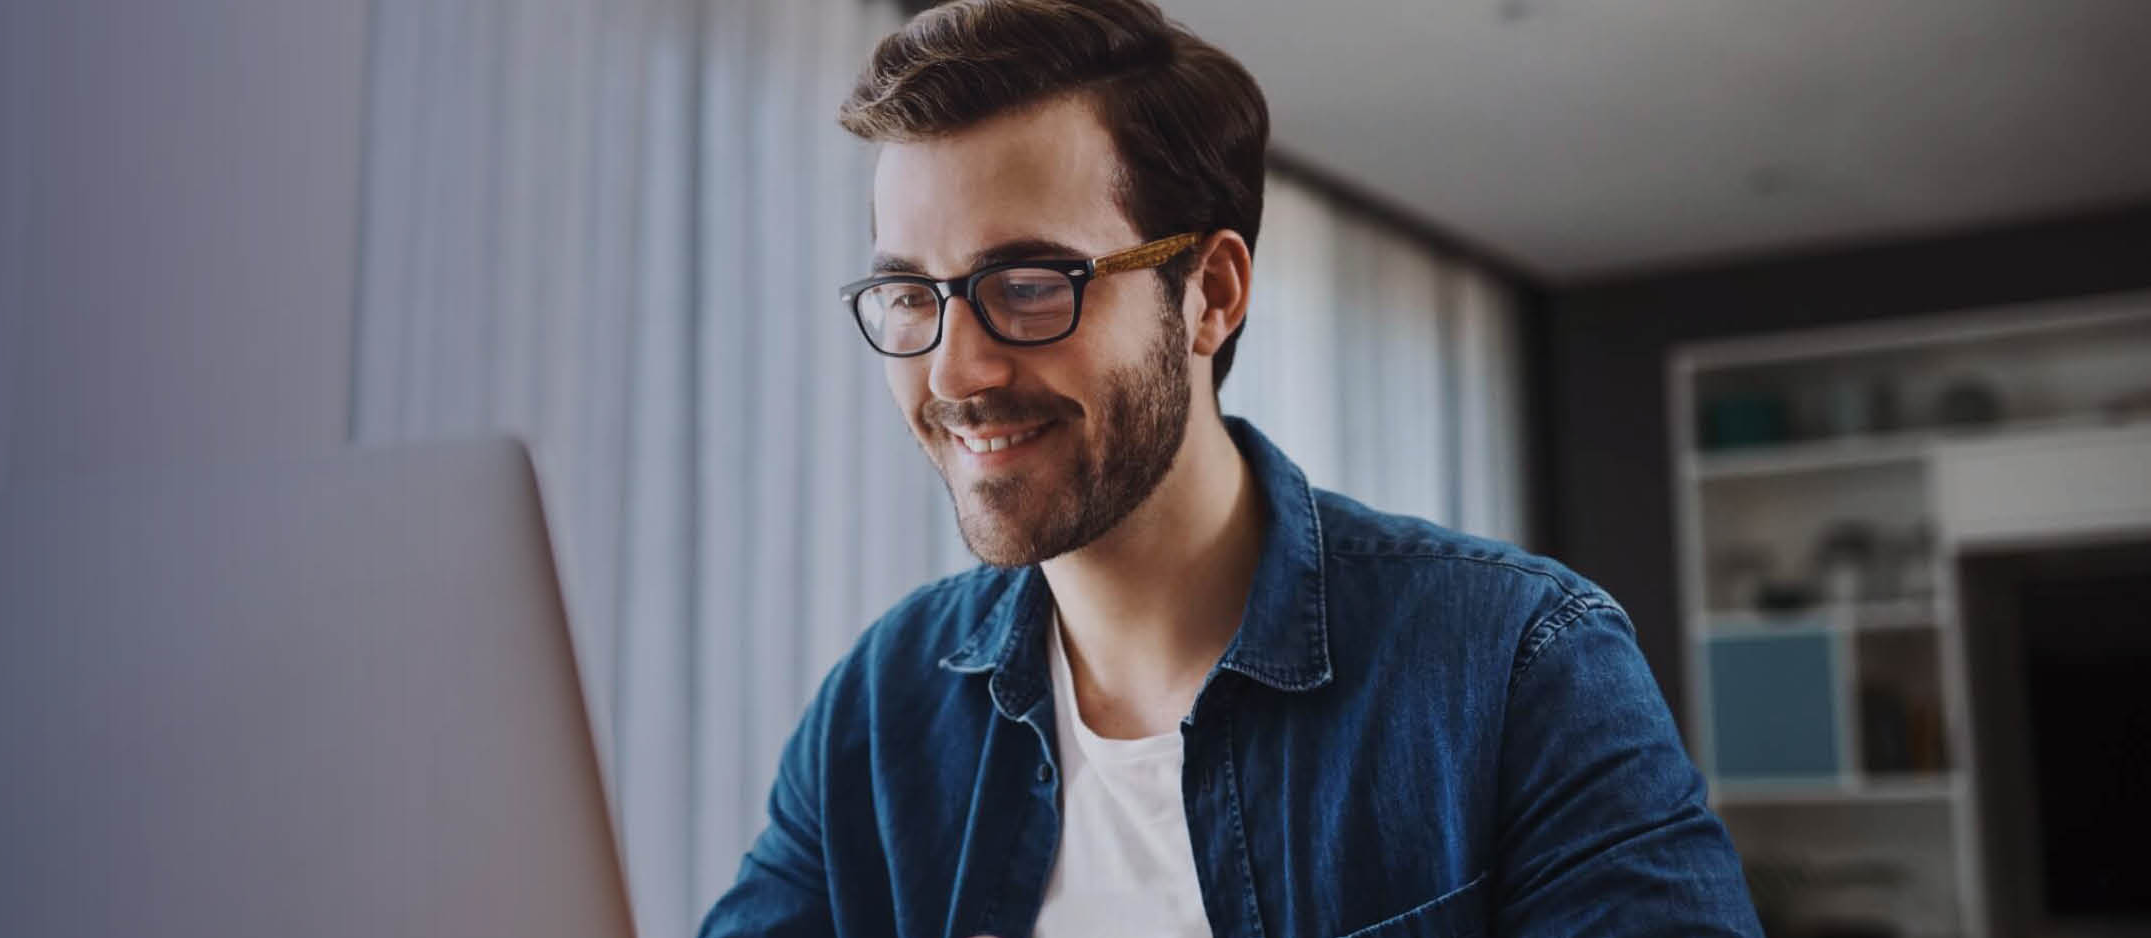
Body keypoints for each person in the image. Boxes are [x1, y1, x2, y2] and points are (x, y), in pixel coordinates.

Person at [696, 1, 1762, 936]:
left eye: (1025, 282)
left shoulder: (1520, 667)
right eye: (909, 295)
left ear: (1208, 293)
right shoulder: (880, 707)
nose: (952, 368)